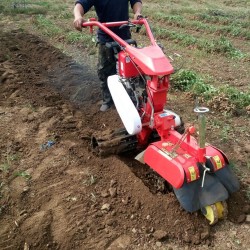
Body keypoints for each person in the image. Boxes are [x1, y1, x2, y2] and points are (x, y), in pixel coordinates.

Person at [73, 0, 142, 111]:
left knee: (129, 70)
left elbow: (136, 1)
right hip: (105, 36)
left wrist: (137, 13)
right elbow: (80, 5)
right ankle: (108, 100)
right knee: (105, 71)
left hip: (124, 35)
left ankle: (131, 97)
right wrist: (78, 16)